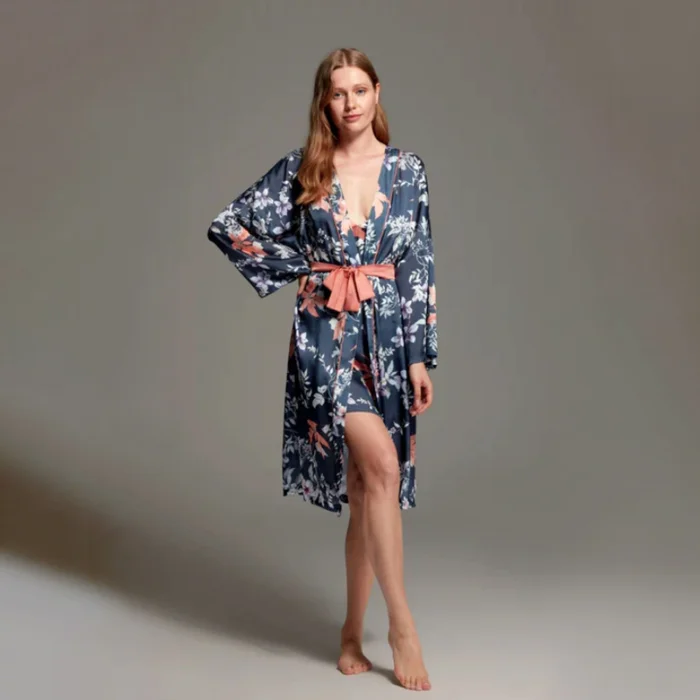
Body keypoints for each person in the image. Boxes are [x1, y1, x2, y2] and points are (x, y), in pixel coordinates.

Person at [207, 47, 437, 692]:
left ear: (377, 92)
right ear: (324, 103)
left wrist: (420, 355)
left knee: (368, 487)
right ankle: (402, 627)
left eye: (359, 89)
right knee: (381, 466)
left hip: (387, 339)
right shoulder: (304, 167)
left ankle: (349, 630)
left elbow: (418, 263)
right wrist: (303, 268)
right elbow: (231, 226)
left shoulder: (408, 171)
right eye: (337, 93)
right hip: (323, 337)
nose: (350, 103)